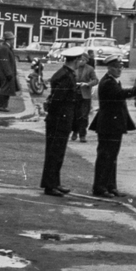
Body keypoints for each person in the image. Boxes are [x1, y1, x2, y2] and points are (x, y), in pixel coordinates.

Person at [88, 55, 136, 197]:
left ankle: (110, 186)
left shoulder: (112, 81)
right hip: (108, 125)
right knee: (106, 156)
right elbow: (120, 95)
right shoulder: (108, 82)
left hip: (112, 124)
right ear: (109, 68)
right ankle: (100, 187)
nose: (120, 70)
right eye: (117, 68)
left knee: (112, 156)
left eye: (121, 67)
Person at [40, 47, 83, 196]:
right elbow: (58, 100)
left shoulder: (65, 73)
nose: (80, 62)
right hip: (59, 120)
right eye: (80, 60)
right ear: (76, 60)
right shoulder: (66, 76)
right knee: (55, 153)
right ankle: (50, 186)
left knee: (57, 153)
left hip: (59, 119)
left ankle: (54, 183)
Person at [70, 52, 99, 142]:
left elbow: (96, 80)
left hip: (85, 95)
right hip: (74, 94)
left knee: (84, 116)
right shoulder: (73, 68)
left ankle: (82, 134)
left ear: (87, 61)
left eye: (83, 60)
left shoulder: (90, 69)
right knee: (74, 115)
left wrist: (87, 84)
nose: (81, 62)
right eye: (80, 60)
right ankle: (75, 131)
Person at [0, 31, 21, 112]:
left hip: (7, 73)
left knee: (7, 89)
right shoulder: (4, 48)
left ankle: (4, 106)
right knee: (5, 89)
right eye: (12, 39)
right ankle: (1, 106)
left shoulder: (7, 48)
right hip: (5, 73)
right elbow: (4, 62)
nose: (13, 41)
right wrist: (8, 73)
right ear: (8, 40)